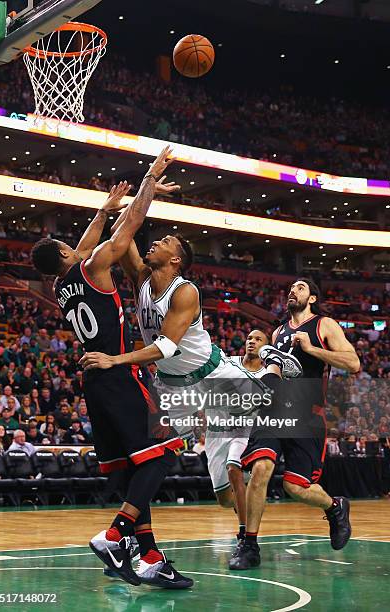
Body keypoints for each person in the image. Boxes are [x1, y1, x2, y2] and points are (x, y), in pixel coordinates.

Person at [80, 216, 301, 584]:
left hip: (213, 374)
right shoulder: (142, 279)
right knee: (159, 462)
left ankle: (273, 360)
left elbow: (165, 345)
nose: (156, 242)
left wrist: (115, 359)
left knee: (269, 397)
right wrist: (118, 206)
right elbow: (125, 236)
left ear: (176, 260)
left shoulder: (185, 291)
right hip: (172, 387)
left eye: (165, 241)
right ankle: (146, 553)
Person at [32, 147, 192, 589]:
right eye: (70, 245)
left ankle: (152, 556)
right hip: (118, 374)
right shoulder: (92, 266)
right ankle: (115, 535)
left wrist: (102, 210)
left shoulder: (65, 283)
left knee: (132, 471)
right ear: (67, 252)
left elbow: (86, 246)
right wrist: (147, 183)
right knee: (166, 452)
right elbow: (130, 229)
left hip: (93, 383)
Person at [230, 278, 360, 570]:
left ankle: (334, 507)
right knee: (261, 467)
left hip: (307, 413)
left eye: (300, 287)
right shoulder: (278, 332)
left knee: (296, 487)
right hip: (276, 411)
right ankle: (248, 544)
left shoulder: (324, 325)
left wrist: (312, 349)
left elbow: (353, 363)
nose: (293, 291)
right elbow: (276, 368)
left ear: (312, 298)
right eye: (291, 288)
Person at [205, 329, 268, 563]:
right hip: (216, 432)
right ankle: (246, 505)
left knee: (234, 468)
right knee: (223, 500)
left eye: (258, 339)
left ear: (266, 348)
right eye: (250, 338)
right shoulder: (227, 363)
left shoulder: (266, 375)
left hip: (244, 430)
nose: (252, 341)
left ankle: (244, 534)